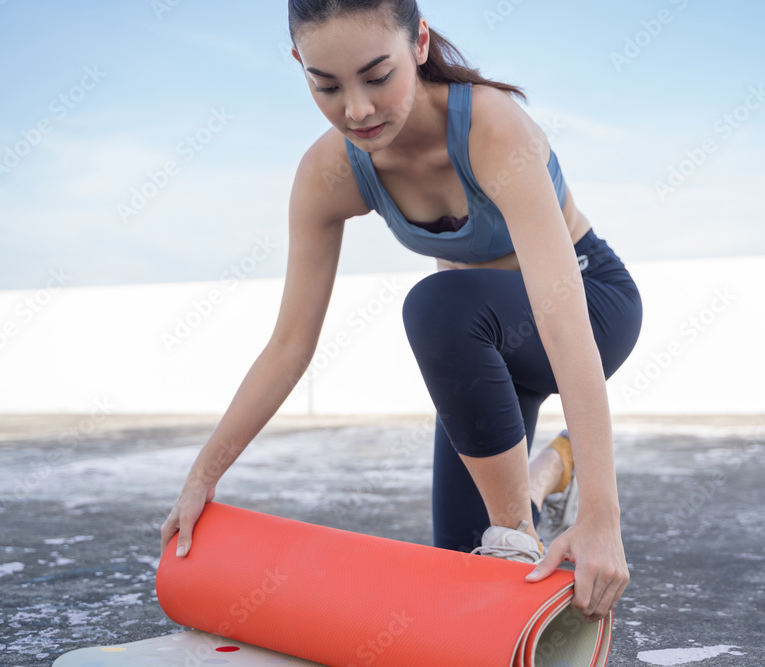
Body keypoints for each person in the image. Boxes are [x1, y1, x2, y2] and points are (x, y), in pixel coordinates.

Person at [160, 0, 642, 624]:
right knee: (460, 570)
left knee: (437, 308)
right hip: (486, 340)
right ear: (298, 66)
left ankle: (521, 517)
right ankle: (552, 467)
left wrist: (604, 518)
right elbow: (289, 346)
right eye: (326, 85)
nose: (356, 110)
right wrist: (203, 474)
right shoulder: (328, 173)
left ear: (419, 44)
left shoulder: (493, 130)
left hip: (590, 305)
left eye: (377, 75)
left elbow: (560, 317)